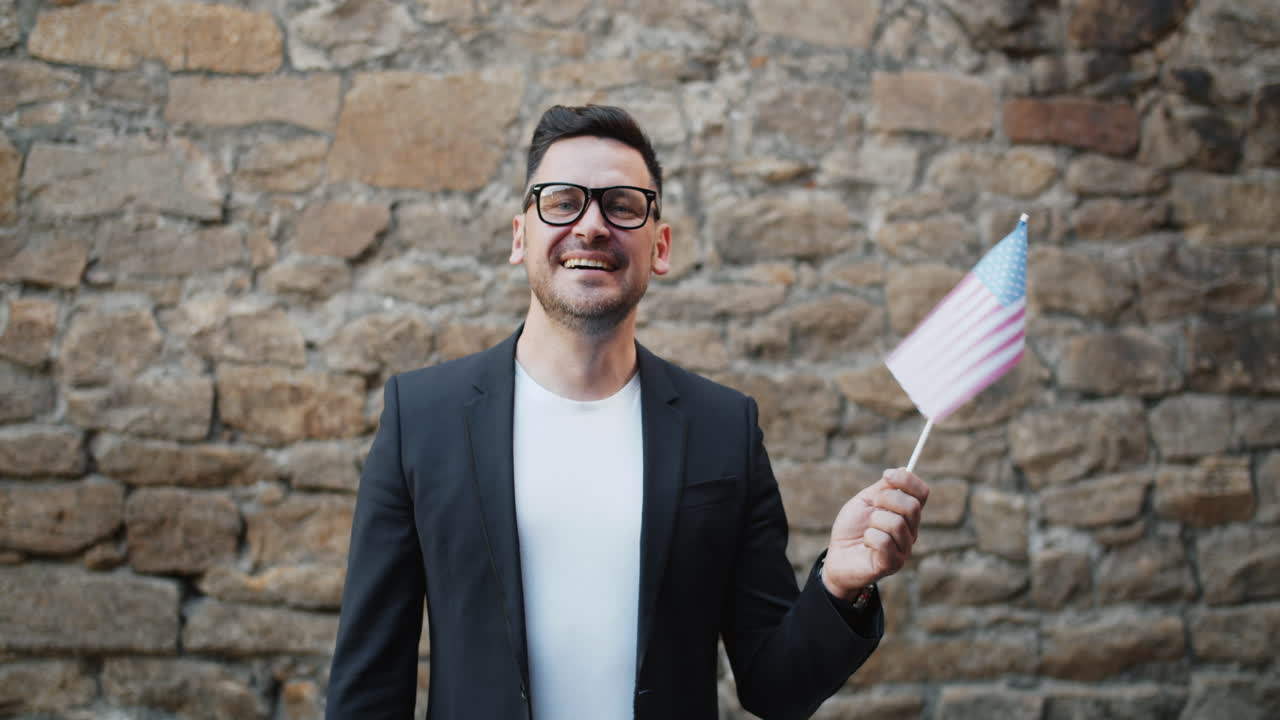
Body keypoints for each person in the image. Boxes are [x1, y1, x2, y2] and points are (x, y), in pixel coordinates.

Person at [326, 105, 930, 720]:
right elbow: (368, 687)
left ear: (660, 246)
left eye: (622, 204)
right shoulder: (422, 419)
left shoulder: (724, 430)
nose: (590, 226)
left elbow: (776, 687)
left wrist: (839, 588)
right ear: (520, 236)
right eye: (562, 202)